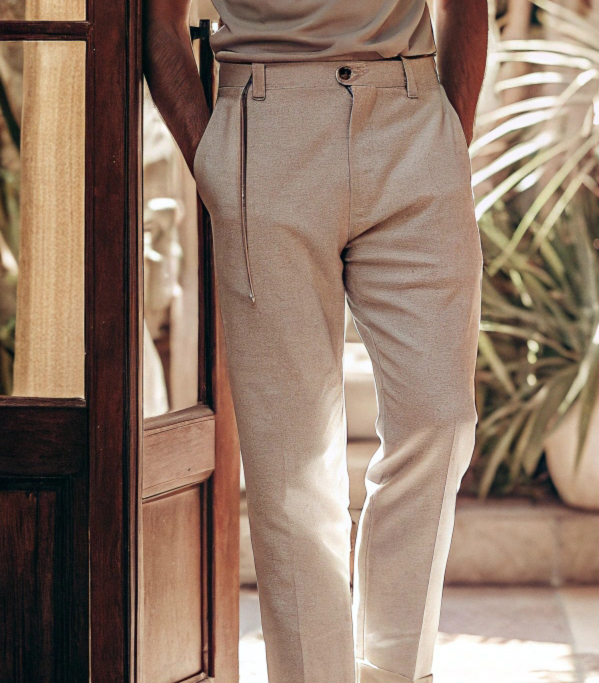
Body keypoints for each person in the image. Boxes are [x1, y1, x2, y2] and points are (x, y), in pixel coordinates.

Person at [142, 0, 487, 680]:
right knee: (291, 464)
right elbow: (158, 18)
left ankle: (396, 672)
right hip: (266, 115)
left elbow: (466, 6)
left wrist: (450, 137)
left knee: (441, 419)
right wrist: (211, 161)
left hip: (411, 113)